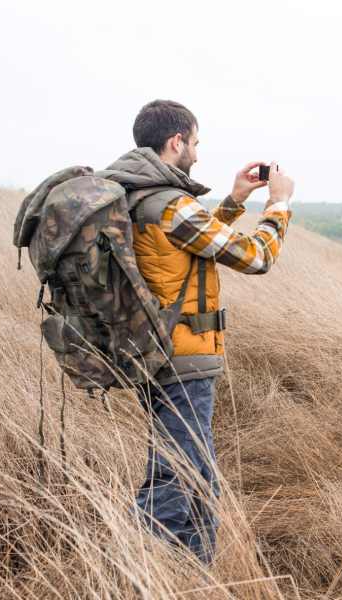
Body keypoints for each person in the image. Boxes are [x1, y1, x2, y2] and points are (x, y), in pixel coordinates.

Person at [102, 99, 295, 563]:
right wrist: (279, 205)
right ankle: (137, 574)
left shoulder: (135, 196)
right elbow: (255, 258)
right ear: (176, 142)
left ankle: (192, 579)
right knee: (176, 478)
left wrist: (233, 202)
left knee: (199, 483)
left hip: (155, 351)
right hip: (182, 359)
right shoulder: (169, 204)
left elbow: (188, 248)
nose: (197, 153)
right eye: (195, 143)